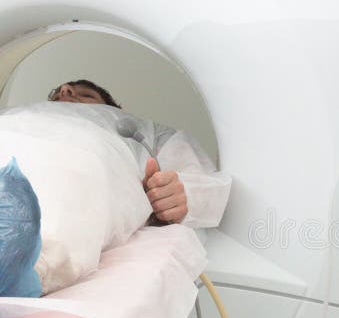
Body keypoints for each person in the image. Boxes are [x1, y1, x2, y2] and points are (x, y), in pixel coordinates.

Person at [48, 80, 231, 229]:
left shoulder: (149, 138)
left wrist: (178, 196)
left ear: (114, 113)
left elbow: (205, 190)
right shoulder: (21, 129)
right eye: (59, 94)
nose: (65, 90)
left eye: (87, 95)